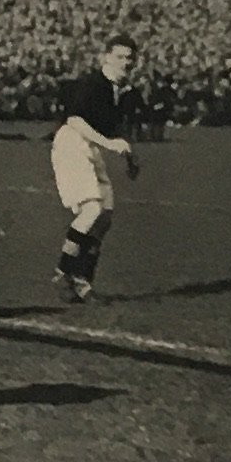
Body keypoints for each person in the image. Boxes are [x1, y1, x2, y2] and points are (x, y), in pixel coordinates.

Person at [48, 35, 142, 302]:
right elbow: (75, 120)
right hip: (72, 143)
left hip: (93, 147)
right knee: (92, 209)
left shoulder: (125, 92)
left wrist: (131, 160)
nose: (125, 62)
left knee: (104, 218)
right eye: (120, 57)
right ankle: (64, 270)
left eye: (130, 58)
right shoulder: (93, 84)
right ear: (106, 57)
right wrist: (108, 144)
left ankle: (82, 281)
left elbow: (117, 131)